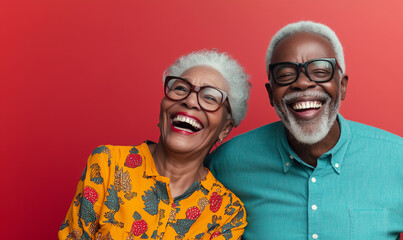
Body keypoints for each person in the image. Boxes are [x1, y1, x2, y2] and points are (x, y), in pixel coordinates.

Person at [206, 21, 403, 239]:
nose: (302, 83)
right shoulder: (226, 164)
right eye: (285, 74)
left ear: (343, 86)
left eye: (320, 71)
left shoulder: (397, 160)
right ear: (271, 93)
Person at [58, 50, 251, 240]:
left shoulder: (227, 214)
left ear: (225, 128)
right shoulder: (108, 164)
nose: (190, 101)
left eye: (210, 98)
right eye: (181, 89)